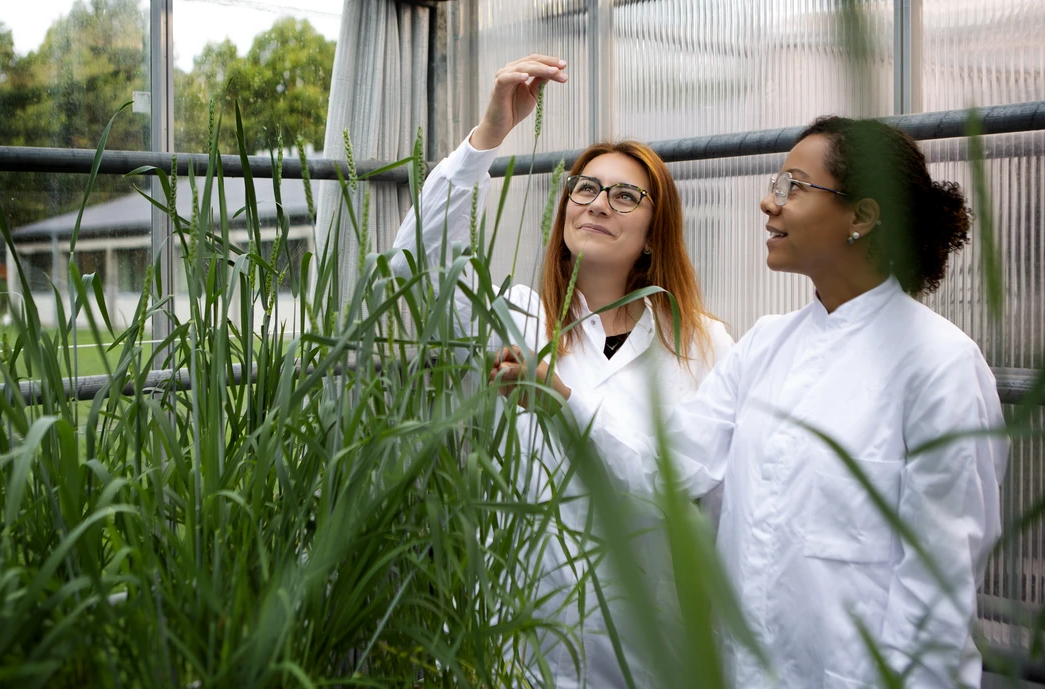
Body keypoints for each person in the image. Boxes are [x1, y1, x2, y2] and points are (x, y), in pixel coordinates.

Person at [511, 115, 1007, 688]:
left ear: (863, 216)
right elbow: (662, 470)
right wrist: (559, 398)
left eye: (793, 186)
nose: (768, 203)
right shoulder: (766, 346)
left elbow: (937, 593)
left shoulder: (940, 363)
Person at [389, 54, 733, 688]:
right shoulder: (520, 318)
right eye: (585, 188)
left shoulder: (703, 346)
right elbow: (414, 264)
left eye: (627, 195)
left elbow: (680, 481)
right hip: (528, 644)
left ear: (656, 231)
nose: (600, 203)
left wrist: (562, 400)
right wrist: (488, 134)